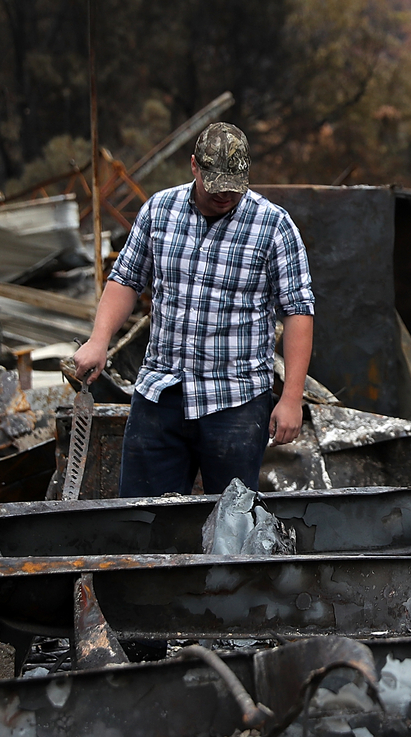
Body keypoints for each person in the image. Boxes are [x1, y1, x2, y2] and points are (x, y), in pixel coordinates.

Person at [73, 122, 314, 497]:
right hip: (161, 393)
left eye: (235, 187)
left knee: (230, 525)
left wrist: (291, 398)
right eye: (216, 186)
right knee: (141, 519)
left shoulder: (274, 226)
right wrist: (98, 340)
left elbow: (298, 311)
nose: (226, 196)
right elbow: (125, 280)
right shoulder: (159, 211)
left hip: (235, 401)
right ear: (194, 167)